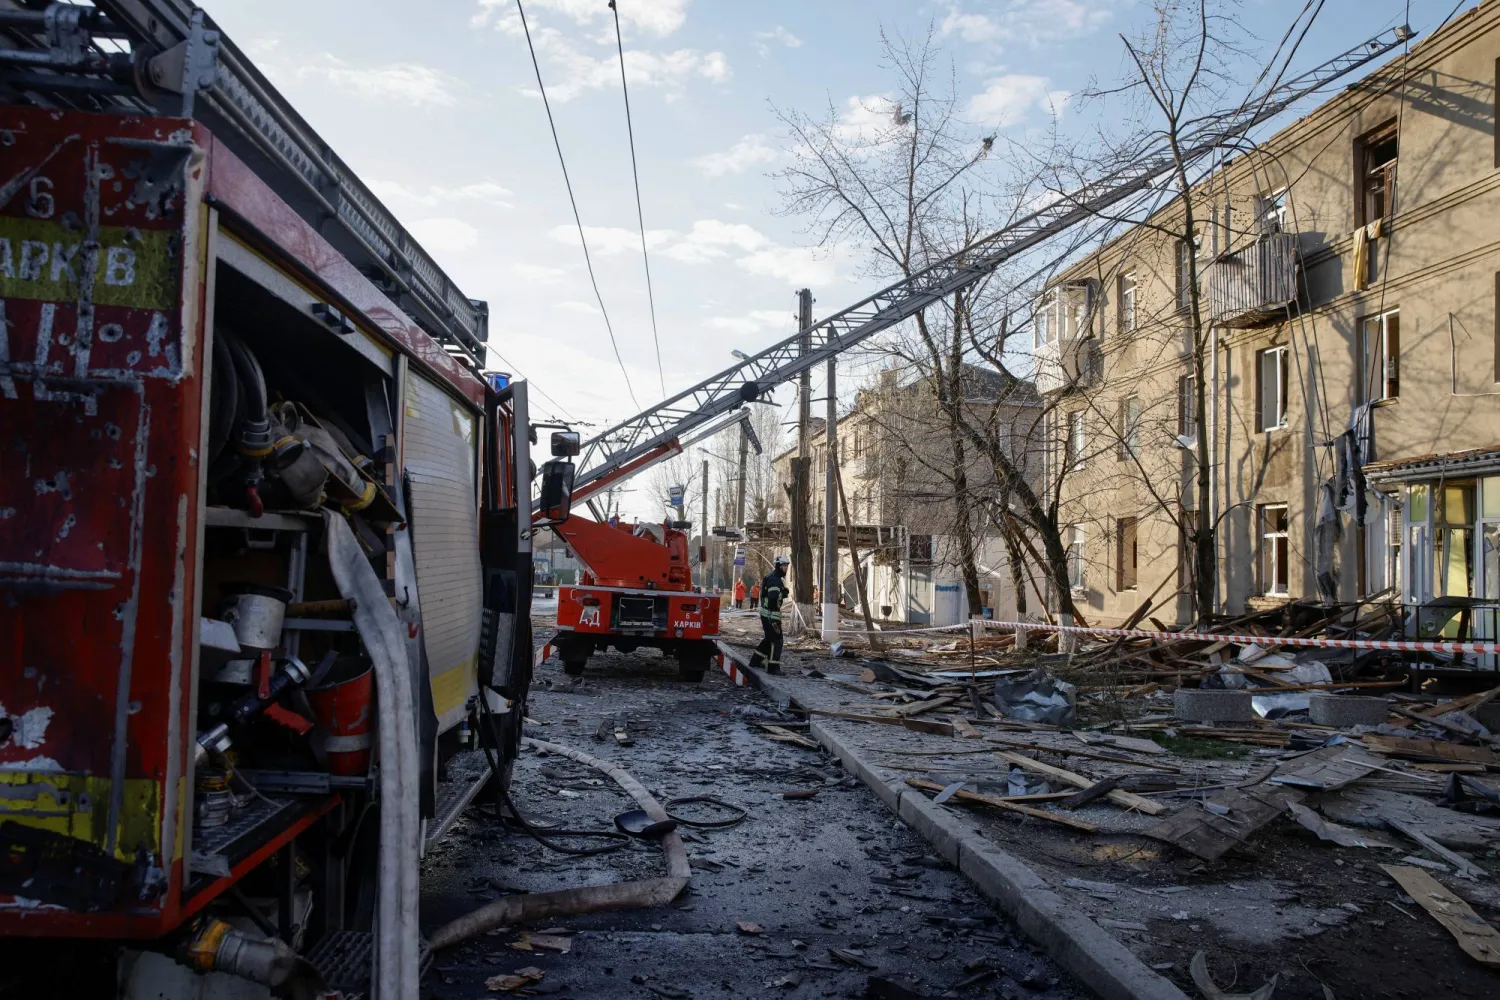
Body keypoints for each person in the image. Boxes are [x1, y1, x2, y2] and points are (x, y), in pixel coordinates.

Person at [750, 554, 789, 675]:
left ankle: (755, 661)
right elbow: (773, 598)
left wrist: (782, 592)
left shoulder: (772, 577)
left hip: (767, 614)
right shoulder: (775, 580)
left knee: (769, 638)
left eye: (786, 565)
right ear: (778, 566)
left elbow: (771, 595)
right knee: (777, 640)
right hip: (771, 615)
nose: (786, 568)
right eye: (784, 565)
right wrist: (783, 594)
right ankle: (773, 668)